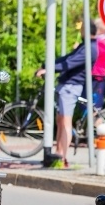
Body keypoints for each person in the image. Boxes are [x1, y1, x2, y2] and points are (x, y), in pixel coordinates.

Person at [36, 22, 98, 167]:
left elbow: (69, 63)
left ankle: (62, 157)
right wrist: (47, 65)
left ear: (85, 30)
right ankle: (58, 153)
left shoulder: (89, 48)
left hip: (71, 87)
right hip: (67, 85)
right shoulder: (85, 46)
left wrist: (49, 69)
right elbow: (67, 58)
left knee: (65, 122)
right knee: (60, 120)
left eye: (81, 29)